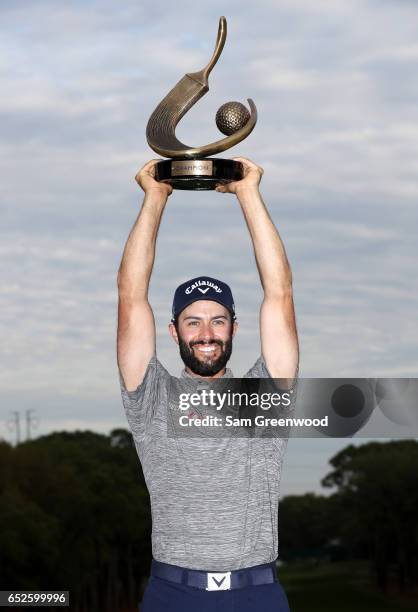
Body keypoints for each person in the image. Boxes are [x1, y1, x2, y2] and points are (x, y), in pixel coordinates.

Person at [117, 157, 299, 611]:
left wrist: (249, 193)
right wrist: (154, 198)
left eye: (217, 321)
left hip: (257, 594)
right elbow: (130, 296)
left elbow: (279, 295)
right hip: (171, 594)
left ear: (234, 329)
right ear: (174, 332)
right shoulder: (152, 397)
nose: (206, 333)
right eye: (193, 322)